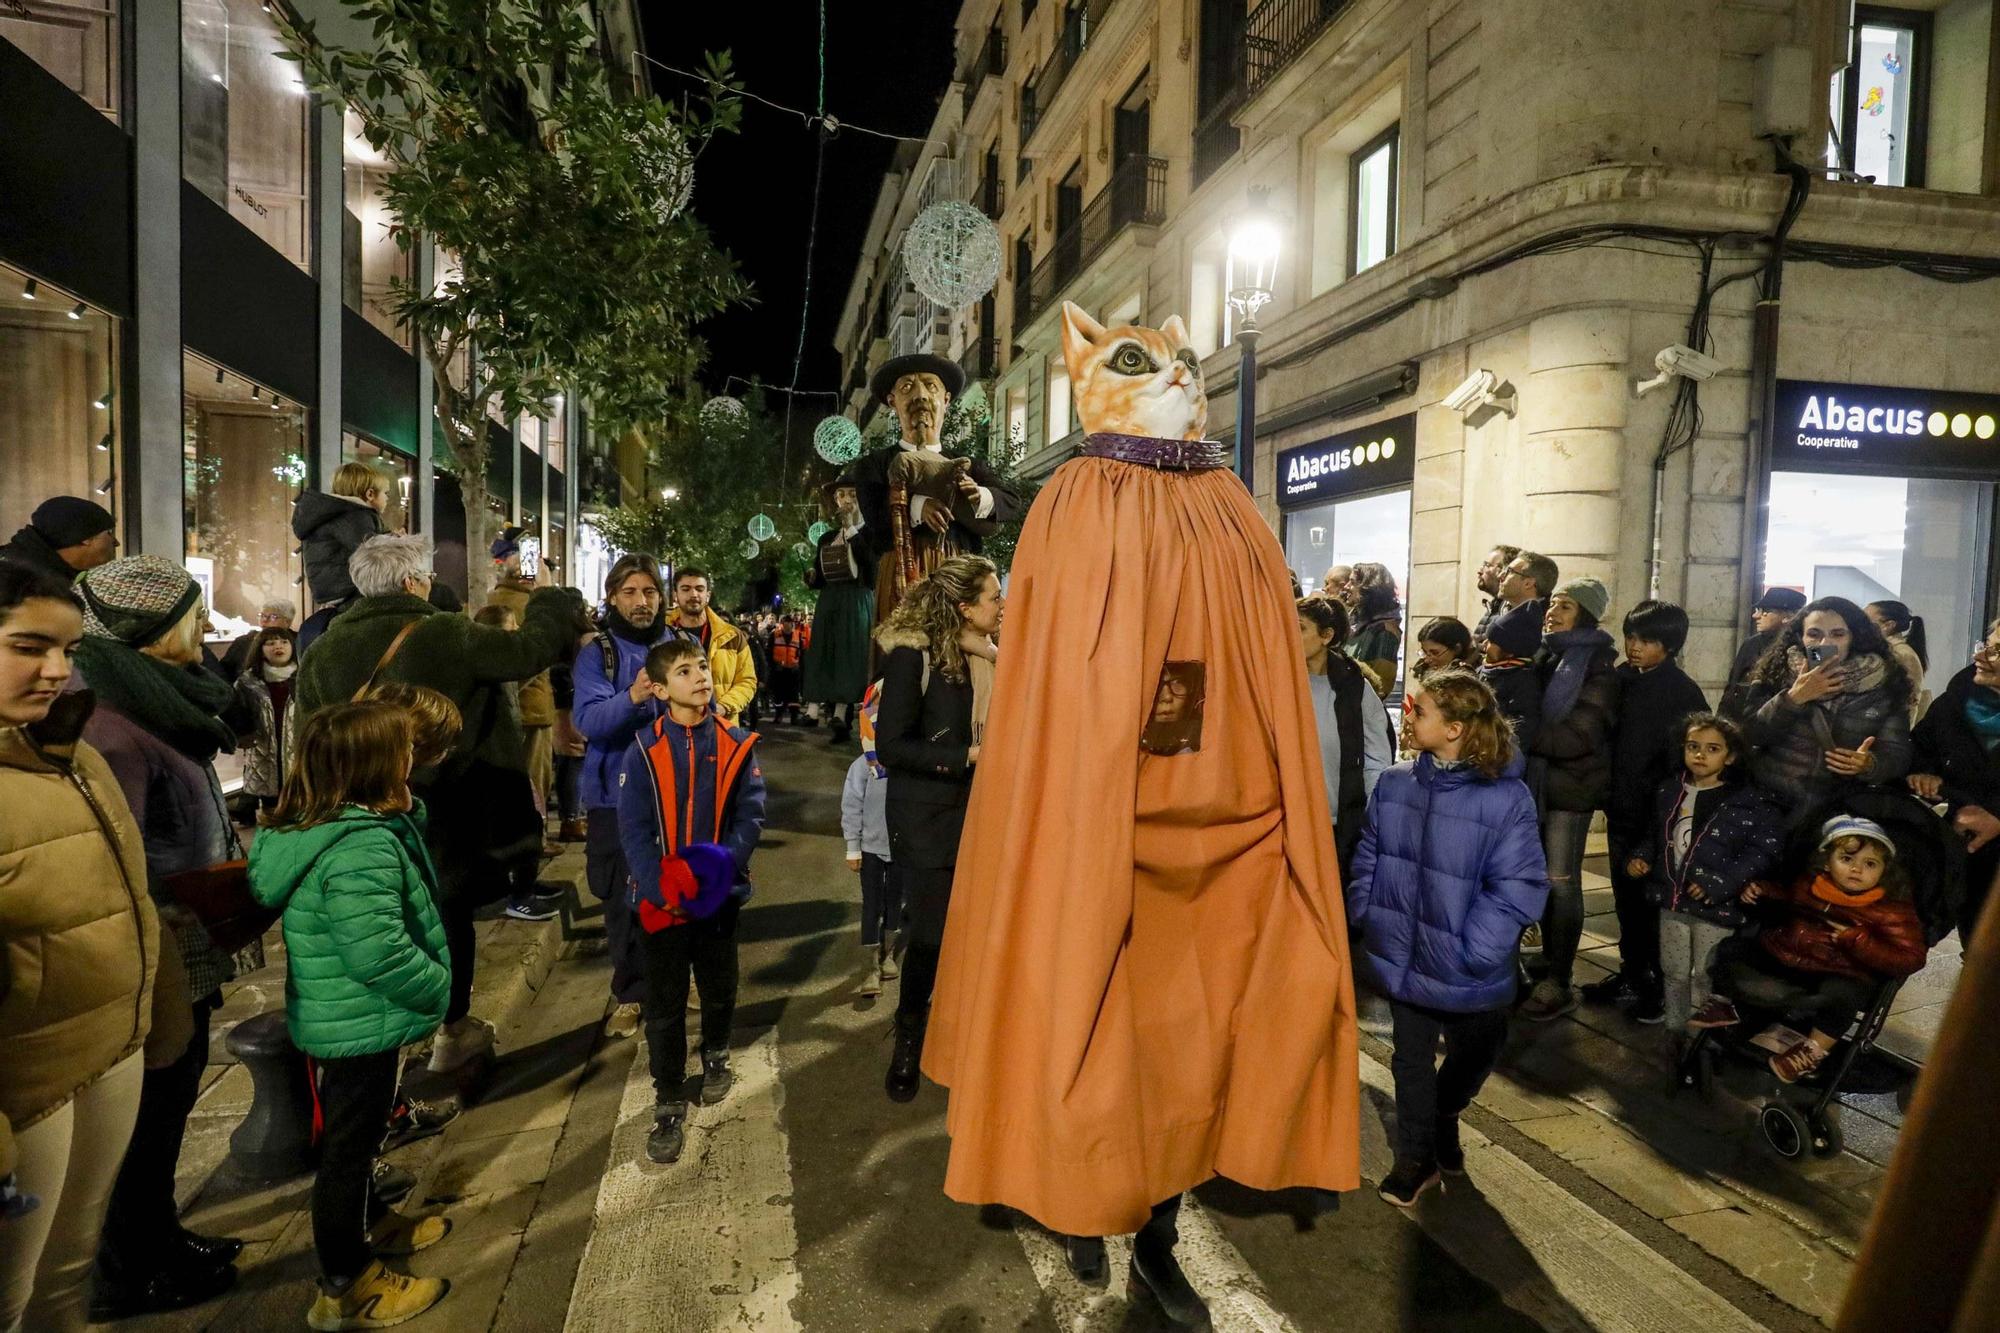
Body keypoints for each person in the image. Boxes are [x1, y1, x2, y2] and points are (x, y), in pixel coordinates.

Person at [922, 306, 1361, 1325]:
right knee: (1081, 1015)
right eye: (1137, 361)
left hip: (1231, 826)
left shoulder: (1231, 504)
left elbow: (1266, 665)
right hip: (1101, 820)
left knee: (1193, 1043)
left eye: (1174, 359)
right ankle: (1079, 1195)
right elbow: (1063, 682)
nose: (1171, 373)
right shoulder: (1080, 500)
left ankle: (1154, 1228)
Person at [293, 534, 582, 1075]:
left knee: (383, 919)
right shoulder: (442, 632)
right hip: (445, 805)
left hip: (359, 815)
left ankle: (391, 1049)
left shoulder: (326, 648)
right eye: (425, 574)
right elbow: (528, 652)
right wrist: (546, 596)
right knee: (446, 913)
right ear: (410, 583)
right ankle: (450, 1031)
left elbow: (309, 734)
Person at [69, 557, 243, 1318]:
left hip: (188, 929)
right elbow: (118, 858)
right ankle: (127, 1270)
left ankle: (161, 1237)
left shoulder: (159, 696)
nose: (204, 627)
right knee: (148, 1111)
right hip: (159, 940)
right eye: (190, 614)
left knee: (171, 1100)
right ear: (148, 626)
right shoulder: (111, 725)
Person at [248, 700, 454, 1330]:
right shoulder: (358, 846)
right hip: (360, 1020)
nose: (411, 758)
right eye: (402, 750)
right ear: (373, 766)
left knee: (358, 1141)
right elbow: (377, 949)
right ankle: (347, 1285)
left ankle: (371, 1227)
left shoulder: (327, 827)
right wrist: (436, 989)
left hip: (345, 1017)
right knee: (348, 1150)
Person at [0, 564, 164, 1332]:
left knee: (68, 1274)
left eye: (66, 648)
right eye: (28, 646)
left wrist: (152, 1008)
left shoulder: (74, 751)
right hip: (24, 1086)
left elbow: (123, 897)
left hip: (110, 1049)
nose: (56, 670)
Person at [1347, 669, 1549, 1206]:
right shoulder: (1393, 784)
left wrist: (1477, 950)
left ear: (1456, 728)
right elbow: (1370, 851)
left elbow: (1518, 886)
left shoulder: (1505, 799)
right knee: (1408, 1059)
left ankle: (1445, 1113)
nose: (1408, 718)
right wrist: (1367, 910)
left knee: (1476, 1053)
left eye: (1419, 711)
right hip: (1403, 956)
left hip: (1468, 966)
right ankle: (1415, 1159)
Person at [615, 637, 765, 1166]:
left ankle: (718, 1053)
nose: (700, 676)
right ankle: (668, 1096)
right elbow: (632, 829)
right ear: (659, 689)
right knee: (666, 1002)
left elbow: (750, 814)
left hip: (717, 894)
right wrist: (659, 887)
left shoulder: (736, 741)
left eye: (702, 666)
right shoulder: (641, 750)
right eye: (684, 671)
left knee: (720, 983)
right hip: (661, 905)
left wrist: (717, 866)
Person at [874, 557, 1001, 1103]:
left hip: (985, 812)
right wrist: (967, 754)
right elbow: (891, 746)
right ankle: (910, 1032)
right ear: (963, 607)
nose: (1003, 605)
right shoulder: (913, 657)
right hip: (926, 816)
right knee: (929, 934)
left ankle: (967, 1037)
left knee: (978, 933)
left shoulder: (997, 657)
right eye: (994, 597)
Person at [1696, 816, 1926, 1083]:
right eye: (1847, 859)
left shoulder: (1891, 910)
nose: (1857, 870)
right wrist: (1764, 891)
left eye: (1870, 864)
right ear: (1827, 861)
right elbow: (1789, 899)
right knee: (1733, 948)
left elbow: (1911, 958)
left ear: (1885, 870)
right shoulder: (1811, 884)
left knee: (1845, 995)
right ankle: (1722, 1004)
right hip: (1786, 953)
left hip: (1839, 968)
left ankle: (1812, 1050)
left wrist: (1858, 941)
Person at [1582, 600, 1708, 1023]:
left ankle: (1656, 989)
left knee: (1653, 906)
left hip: (1659, 820)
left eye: (1648, 641)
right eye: (1631, 637)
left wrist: (1658, 830)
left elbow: (1683, 766)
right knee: (1626, 902)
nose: (1634, 647)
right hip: (1622, 810)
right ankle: (1632, 974)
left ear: (1670, 646)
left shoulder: (1681, 693)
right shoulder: (1623, 679)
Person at [1628, 714, 1785, 1032]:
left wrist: (1720, 883)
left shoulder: (1747, 804)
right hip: (1672, 901)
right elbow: (1657, 835)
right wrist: (1641, 857)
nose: (1700, 754)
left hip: (1715, 909)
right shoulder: (1670, 791)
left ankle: (1704, 1041)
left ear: (1730, 756)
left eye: (1712, 749)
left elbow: (1761, 852)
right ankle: (1676, 1033)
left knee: (1707, 973)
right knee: (1672, 969)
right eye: (1693, 746)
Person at [851, 355, 1021, 631]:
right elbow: (874, 517)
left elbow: (1011, 501)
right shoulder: (874, 465)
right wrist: (918, 507)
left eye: (931, 386)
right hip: (900, 583)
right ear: (892, 401)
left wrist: (979, 496)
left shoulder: (969, 463)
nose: (920, 395)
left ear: (946, 399)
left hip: (960, 583)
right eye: (907, 388)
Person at [575, 555, 669, 1037]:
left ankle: (676, 981)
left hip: (676, 793)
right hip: (615, 797)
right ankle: (631, 992)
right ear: (613, 596)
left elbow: (708, 707)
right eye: (630, 592)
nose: (641, 601)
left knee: (679, 892)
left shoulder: (682, 645)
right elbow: (588, 722)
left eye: (649, 592)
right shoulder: (598, 654)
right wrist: (633, 697)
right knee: (622, 900)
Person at [1521, 576, 1621, 1022]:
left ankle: (1558, 978)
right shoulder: (1546, 656)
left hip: (1570, 789)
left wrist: (1521, 736)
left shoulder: (1597, 665)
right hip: (1537, 783)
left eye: (1564, 606)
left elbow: (1581, 733)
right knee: (1534, 877)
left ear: (1585, 613)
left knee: (1561, 881)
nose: (1552, 611)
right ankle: (1543, 958)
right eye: (1553, 604)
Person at [1740, 596, 1914, 827]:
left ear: (1854, 637)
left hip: (1839, 812)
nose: (1824, 643)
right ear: (1800, 636)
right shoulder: (1776, 672)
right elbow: (1749, 734)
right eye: (1814, 634)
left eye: (1838, 634)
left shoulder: (1884, 683)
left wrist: (1869, 764)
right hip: (1770, 804)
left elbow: (1897, 752)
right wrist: (1793, 698)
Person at [1909, 618, 2000, 941]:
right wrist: (1923, 772)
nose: (1981, 656)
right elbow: (1920, 747)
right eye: (1986, 644)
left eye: (1998, 651)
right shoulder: (1956, 702)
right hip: (1972, 854)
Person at [1299, 595, 1397, 881]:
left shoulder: (1354, 687)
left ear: (1327, 636)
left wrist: (1371, 812)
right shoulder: (1277, 681)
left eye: (1300, 628)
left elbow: (1376, 754)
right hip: (1289, 815)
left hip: (1339, 820)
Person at [485, 527, 559, 856]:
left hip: (510, 709)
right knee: (534, 783)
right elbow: (534, 658)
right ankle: (533, 844)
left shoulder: (494, 598)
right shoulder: (529, 605)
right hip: (532, 707)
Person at [803, 478, 878, 743]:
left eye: (852, 494)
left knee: (850, 654)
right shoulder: (826, 537)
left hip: (856, 599)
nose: (846, 500)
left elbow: (870, 569)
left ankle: (842, 711)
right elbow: (821, 572)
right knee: (826, 651)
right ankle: (816, 708)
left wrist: (851, 529)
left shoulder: (871, 533)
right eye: (841, 495)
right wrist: (812, 577)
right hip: (831, 600)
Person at [293, 463, 391, 654]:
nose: (387, 498)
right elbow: (372, 552)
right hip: (350, 587)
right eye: (386, 493)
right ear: (370, 494)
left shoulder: (334, 514)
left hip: (334, 589)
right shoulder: (355, 515)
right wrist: (396, 544)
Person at [841, 686, 900, 997]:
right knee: (871, 905)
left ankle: (888, 955)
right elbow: (851, 805)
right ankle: (870, 967)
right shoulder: (862, 766)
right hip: (872, 847)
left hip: (901, 847)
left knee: (895, 903)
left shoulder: (905, 761)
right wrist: (853, 846)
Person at [662, 569, 756, 727]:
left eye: (699, 589)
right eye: (686, 589)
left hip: (721, 727)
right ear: (675, 595)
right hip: (674, 728)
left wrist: (724, 707)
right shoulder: (660, 632)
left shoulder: (732, 636)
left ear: (708, 595)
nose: (694, 595)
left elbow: (747, 681)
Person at [231, 626, 298, 815]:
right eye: (270, 643)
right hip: (263, 756)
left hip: (297, 756)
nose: (278, 646)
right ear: (260, 648)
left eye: (284, 642)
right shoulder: (248, 682)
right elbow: (236, 714)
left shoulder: (302, 677)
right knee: (272, 813)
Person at [1720, 587, 1806, 720]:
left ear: (1788, 617)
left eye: (1765, 611)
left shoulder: (1807, 648)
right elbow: (1732, 688)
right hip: (1744, 725)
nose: (1756, 616)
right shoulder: (1751, 645)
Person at [0, 496, 118, 583]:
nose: (116, 542)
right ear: (85, 538)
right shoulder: (16, 581)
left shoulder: (45, 577)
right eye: (108, 533)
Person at [1479, 604, 1545, 758]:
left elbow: (1522, 725)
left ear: (1509, 650)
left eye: (1491, 642)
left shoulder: (1523, 679)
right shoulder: (1485, 671)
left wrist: (1495, 752)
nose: (1484, 646)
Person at [1866, 600, 1931, 724]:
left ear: (1889, 625)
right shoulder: (1881, 650)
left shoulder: (1901, 654)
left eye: (1866, 621)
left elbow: (1909, 705)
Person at [1343, 563, 1403, 695]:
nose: (1346, 587)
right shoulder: (1355, 623)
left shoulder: (1385, 632)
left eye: (1352, 582)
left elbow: (1381, 686)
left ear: (1368, 588)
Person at [218, 599, 296, 682]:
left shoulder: (298, 642)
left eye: (273, 617)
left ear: (287, 622)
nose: (264, 620)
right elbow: (224, 672)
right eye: (262, 615)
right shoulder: (243, 642)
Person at [1470, 545, 1521, 647]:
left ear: (1504, 571)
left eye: (1487, 565)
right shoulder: (1494, 606)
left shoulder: (1511, 610)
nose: (1480, 571)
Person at [1496, 550, 1558, 619]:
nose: (1499, 576)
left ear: (1528, 583)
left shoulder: (1547, 624)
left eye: (1509, 571)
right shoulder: (1502, 610)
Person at [1414, 616, 1478, 680]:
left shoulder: (1473, 679)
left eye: (1435, 653)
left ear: (1457, 649)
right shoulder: (1425, 673)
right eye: (1424, 652)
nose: (1427, 660)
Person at [767, 615, 803, 726]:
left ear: (792, 624)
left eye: (789, 623)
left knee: (794, 695)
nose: (787, 626)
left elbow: (802, 653)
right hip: (779, 671)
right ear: (782, 624)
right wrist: (773, 665)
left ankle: (794, 717)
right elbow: (768, 652)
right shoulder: (774, 635)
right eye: (785, 623)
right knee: (778, 694)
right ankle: (778, 715)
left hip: (793, 671)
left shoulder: (798, 636)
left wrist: (799, 666)